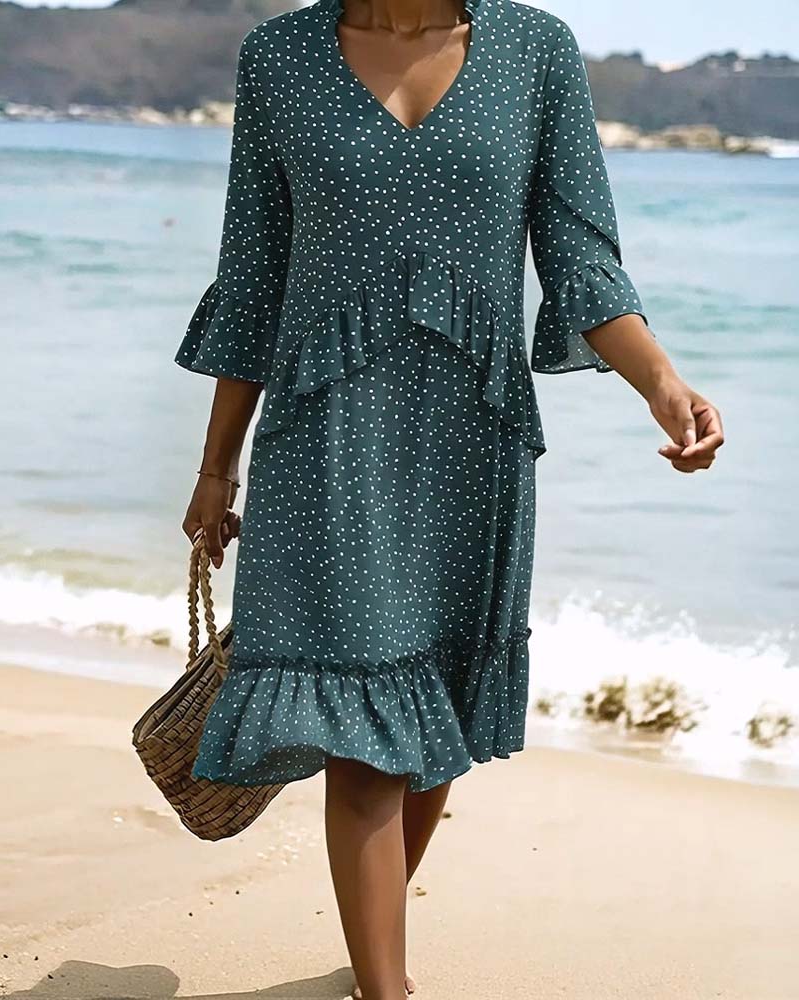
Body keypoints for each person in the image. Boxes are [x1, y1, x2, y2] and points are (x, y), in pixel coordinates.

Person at [175, 1, 724, 997]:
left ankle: (367, 966)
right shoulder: (279, 58)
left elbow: (579, 258)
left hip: (474, 434)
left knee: (436, 713)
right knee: (365, 739)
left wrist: (662, 384)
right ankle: (385, 989)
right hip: (324, 436)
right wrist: (218, 466)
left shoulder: (535, 53)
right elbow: (253, 276)